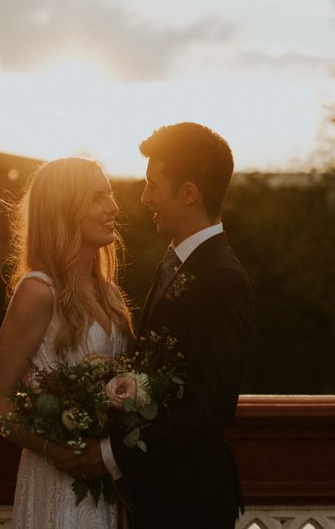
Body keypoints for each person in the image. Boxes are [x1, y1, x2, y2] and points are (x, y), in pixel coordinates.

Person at [59, 122, 255, 529]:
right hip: (157, 495)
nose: (144, 197)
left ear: (188, 193)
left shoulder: (221, 278)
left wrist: (111, 455)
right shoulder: (176, 261)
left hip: (189, 503)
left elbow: (209, 409)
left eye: (153, 185)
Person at [0, 156, 133, 527]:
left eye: (111, 194)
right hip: (57, 481)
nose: (113, 207)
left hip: (107, 482)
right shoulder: (38, 290)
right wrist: (52, 448)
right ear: (65, 208)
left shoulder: (110, 293)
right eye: (98, 197)